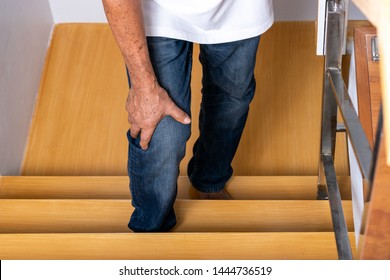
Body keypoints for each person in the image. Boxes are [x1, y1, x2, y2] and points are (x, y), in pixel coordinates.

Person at [102, 0, 274, 232]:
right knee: (164, 134)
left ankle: (209, 180)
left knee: (230, 102)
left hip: (238, 8)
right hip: (157, 9)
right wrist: (144, 86)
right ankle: (152, 224)